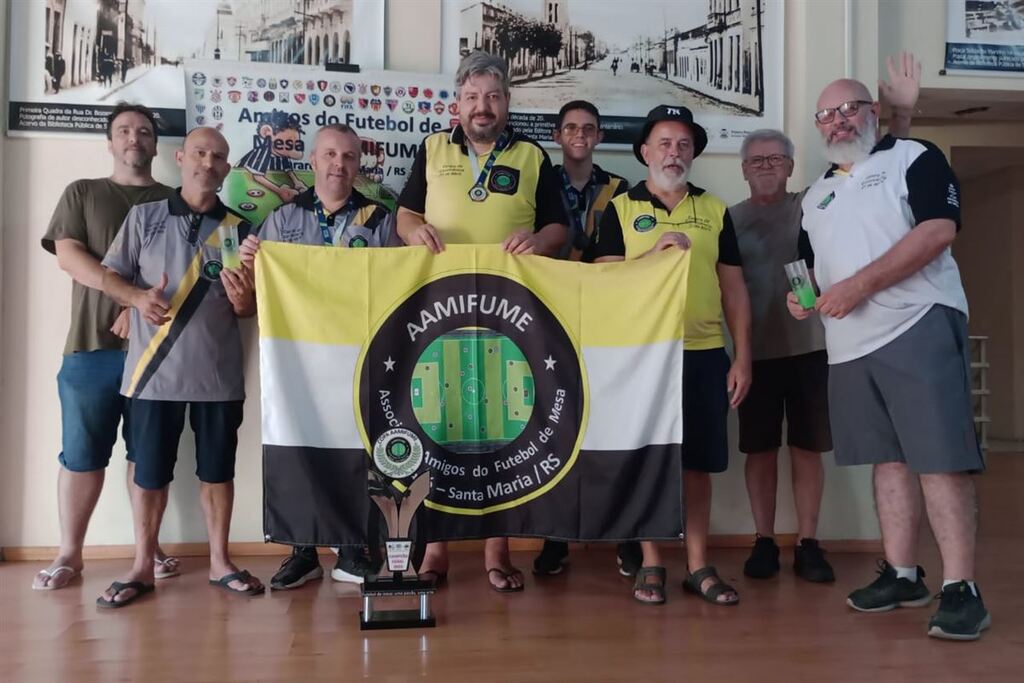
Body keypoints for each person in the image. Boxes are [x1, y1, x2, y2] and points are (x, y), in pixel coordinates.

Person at [790, 76, 989, 641]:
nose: (838, 121)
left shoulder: (914, 157)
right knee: (889, 461)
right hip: (849, 346)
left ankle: (962, 589)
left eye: (849, 108)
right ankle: (904, 575)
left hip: (917, 323)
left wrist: (856, 287)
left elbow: (937, 231)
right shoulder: (815, 195)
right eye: (826, 114)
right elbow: (808, 269)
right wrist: (802, 295)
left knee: (940, 458)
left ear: (873, 112)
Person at [733, 52, 921, 583]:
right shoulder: (729, 220)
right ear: (744, 169)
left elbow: (879, 163)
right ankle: (764, 540)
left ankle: (809, 542)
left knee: (809, 448)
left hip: (818, 349)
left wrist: (903, 117)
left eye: (776, 159)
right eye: (757, 161)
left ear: (792, 166)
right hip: (758, 355)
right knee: (760, 450)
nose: (767, 167)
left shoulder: (818, 198)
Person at [396, 51, 568, 593]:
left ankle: (498, 550)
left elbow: (560, 227)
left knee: (502, 427)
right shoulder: (430, 149)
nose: (482, 106)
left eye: (493, 96)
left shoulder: (534, 156)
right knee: (439, 421)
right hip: (437, 308)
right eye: (472, 97)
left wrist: (540, 241)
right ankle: (437, 550)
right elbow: (404, 213)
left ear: (507, 102)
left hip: (509, 309)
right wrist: (411, 232)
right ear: (457, 103)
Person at [586, 105, 752, 606]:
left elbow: (735, 290)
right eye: (663, 143)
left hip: (703, 354)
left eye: (683, 144)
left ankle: (698, 564)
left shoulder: (716, 209)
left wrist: (742, 357)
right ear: (644, 152)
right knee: (648, 460)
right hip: (642, 357)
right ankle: (652, 562)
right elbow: (602, 280)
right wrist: (651, 254)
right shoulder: (617, 208)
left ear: (693, 153)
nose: (673, 153)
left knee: (697, 464)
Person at [96, 127, 263, 607]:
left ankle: (219, 562)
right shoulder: (145, 216)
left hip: (217, 375)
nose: (208, 163)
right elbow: (112, 277)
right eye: (200, 153)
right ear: (181, 156)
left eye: (218, 157)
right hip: (151, 375)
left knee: (217, 472)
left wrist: (244, 297)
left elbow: (245, 309)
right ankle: (141, 566)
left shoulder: (238, 230)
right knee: (149, 474)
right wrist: (134, 299)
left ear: (227, 169)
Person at [238, 123, 396, 591]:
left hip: (358, 354)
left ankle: (350, 546)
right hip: (299, 359)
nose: (338, 165)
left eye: (348, 157)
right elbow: (256, 284)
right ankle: (302, 551)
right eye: (329, 155)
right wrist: (252, 258)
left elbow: (396, 281)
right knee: (299, 446)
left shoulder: (380, 219)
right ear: (313, 161)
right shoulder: (284, 220)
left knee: (354, 449)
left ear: (358, 165)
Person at [34, 104, 179, 591]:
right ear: (110, 142)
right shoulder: (82, 193)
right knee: (81, 455)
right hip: (89, 351)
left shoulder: (175, 201)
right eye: (123, 131)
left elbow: (185, 273)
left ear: (156, 145)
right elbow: (70, 258)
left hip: (158, 356)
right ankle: (69, 554)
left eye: (143, 131)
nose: (134, 137)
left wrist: (140, 309)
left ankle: (147, 548)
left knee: (148, 457)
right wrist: (132, 297)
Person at [532, 99, 639, 577]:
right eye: (571, 127)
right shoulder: (539, 184)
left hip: (608, 321)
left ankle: (627, 535)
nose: (580, 134)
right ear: (558, 134)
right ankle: (556, 536)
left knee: (616, 426)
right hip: (549, 317)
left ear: (599, 136)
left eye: (589, 128)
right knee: (556, 426)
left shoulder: (622, 191)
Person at [236, 109, 308, 203]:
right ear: (268, 132)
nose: (291, 147)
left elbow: (288, 169)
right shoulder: (262, 152)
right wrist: (280, 191)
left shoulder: (282, 154)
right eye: (286, 142)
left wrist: (296, 181)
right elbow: (257, 176)